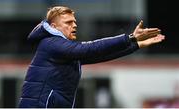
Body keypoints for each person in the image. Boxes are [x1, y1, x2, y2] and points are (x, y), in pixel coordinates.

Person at [18, 6, 165, 108]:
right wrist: (130, 37)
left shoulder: (61, 48)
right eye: (68, 22)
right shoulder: (51, 43)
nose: (74, 25)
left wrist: (136, 45)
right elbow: (89, 48)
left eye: (75, 22)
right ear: (54, 27)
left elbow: (99, 55)